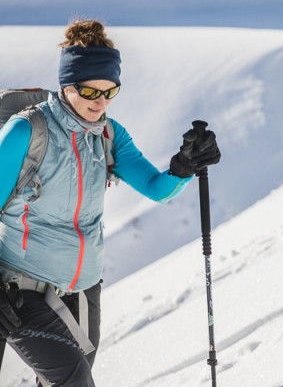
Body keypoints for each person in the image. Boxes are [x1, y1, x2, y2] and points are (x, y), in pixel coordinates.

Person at [0, 19, 221, 387]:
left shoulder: (108, 134)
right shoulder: (27, 131)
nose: (100, 102)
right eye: (89, 92)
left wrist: (185, 166)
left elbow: (156, 187)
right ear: (67, 86)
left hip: (83, 291)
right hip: (19, 290)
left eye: (109, 92)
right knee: (74, 381)